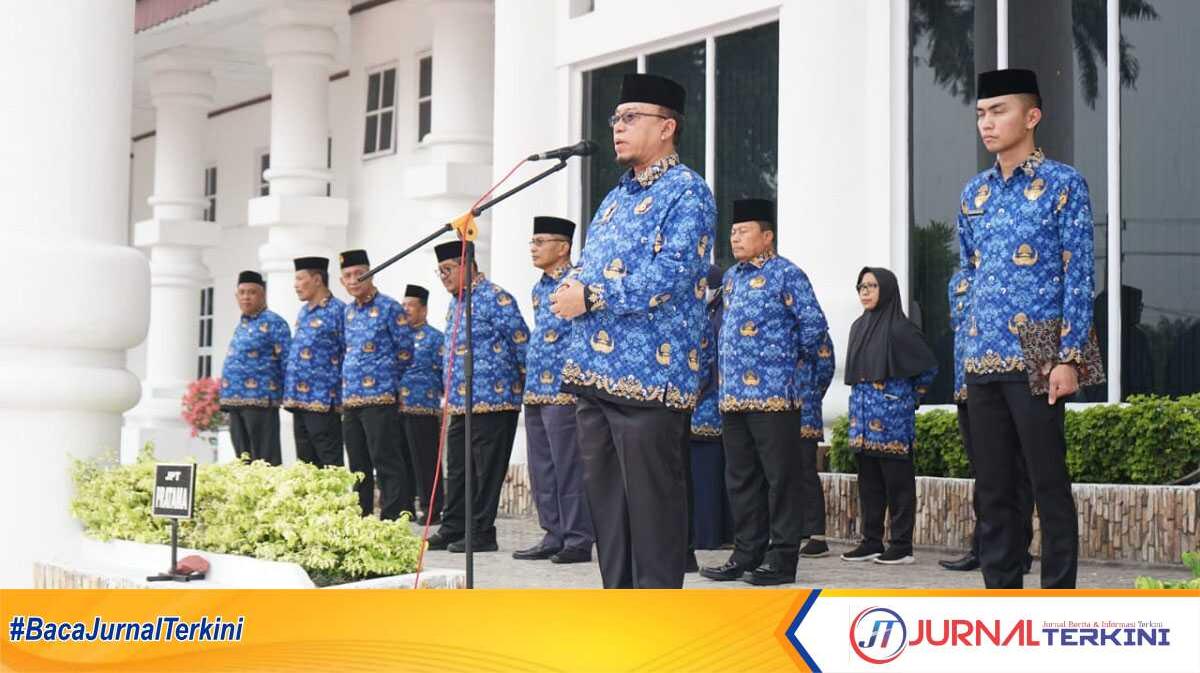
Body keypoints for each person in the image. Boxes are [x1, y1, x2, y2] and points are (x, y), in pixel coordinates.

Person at [551, 73, 716, 589]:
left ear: (667, 127)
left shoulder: (687, 192)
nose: (617, 129)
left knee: (653, 515)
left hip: (651, 379)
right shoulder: (615, 197)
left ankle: (658, 627)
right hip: (595, 378)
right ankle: (621, 618)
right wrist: (573, 284)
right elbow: (594, 262)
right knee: (610, 517)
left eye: (629, 118)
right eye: (615, 120)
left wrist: (594, 296)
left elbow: (674, 273)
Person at [959, 68, 1100, 589]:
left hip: (1040, 352)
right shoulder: (974, 194)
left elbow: (1078, 274)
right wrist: (964, 355)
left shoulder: (1063, 184)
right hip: (983, 356)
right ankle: (1003, 601)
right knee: (993, 490)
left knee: (1047, 484)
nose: (987, 123)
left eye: (998, 111)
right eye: (981, 114)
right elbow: (969, 275)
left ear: (1032, 116)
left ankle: (1057, 600)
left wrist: (1069, 357)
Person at [699, 198, 829, 586]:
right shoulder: (733, 279)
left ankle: (783, 558)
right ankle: (746, 553)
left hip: (775, 397)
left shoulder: (787, 274)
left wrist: (792, 374)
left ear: (767, 236)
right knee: (741, 478)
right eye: (733, 232)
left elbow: (813, 328)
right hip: (733, 397)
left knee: (780, 479)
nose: (735, 238)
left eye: (744, 231)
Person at [427, 241, 529, 553]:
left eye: (448, 269)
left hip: (494, 400)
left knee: (486, 471)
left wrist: (528, 389)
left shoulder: (495, 297)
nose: (443, 276)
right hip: (460, 402)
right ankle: (454, 525)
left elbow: (522, 343)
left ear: (467, 264)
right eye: (439, 271)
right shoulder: (455, 303)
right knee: (457, 468)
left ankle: (482, 532)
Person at [939, 267, 1034, 573]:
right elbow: (959, 328)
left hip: (1006, 381)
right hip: (968, 388)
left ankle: (1018, 549)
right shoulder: (957, 279)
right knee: (986, 475)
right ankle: (984, 548)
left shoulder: (1009, 270)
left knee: (1016, 473)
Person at [840, 267, 937, 565]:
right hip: (862, 421)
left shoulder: (901, 329)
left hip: (892, 421)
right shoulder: (858, 327)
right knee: (868, 484)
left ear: (887, 289)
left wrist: (909, 399)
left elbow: (929, 367)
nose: (865, 291)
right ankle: (871, 542)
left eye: (872, 285)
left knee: (898, 484)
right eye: (861, 286)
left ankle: (901, 545)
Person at [513, 216, 595, 564]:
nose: (533, 247)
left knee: (568, 466)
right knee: (541, 466)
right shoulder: (538, 288)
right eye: (532, 241)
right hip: (536, 387)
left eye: (541, 241)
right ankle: (553, 532)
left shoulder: (578, 282)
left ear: (562, 248)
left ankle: (577, 538)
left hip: (564, 388)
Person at [338, 249, 415, 519]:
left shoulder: (390, 307)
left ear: (371, 274)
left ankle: (392, 519)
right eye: (347, 275)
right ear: (341, 281)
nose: (353, 279)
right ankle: (361, 518)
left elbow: (406, 351)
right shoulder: (347, 312)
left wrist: (386, 377)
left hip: (380, 397)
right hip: (351, 399)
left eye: (359, 273)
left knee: (386, 461)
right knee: (358, 465)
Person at [219, 270, 290, 465]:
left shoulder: (274, 322)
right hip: (235, 400)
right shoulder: (242, 323)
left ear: (263, 294)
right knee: (243, 458)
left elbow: (287, 360)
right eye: (242, 292)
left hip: (261, 400)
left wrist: (289, 396)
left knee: (264, 458)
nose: (246, 297)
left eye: (251, 292)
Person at [687, 264, 733, 552]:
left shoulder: (708, 318)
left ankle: (705, 536)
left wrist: (689, 394)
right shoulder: (718, 315)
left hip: (702, 409)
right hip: (717, 410)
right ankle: (718, 533)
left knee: (704, 477)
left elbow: (701, 366)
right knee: (714, 476)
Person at [283, 256, 345, 468]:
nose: (295, 285)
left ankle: (335, 502)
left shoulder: (339, 310)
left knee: (329, 461)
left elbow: (347, 351)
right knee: (305, 463)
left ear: (317, 279)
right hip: (298, 399)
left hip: (323, 399)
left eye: (300, 278)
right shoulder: (304, 311)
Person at [397, 284, 445, 525]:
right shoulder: (398, 336)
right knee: (401, 460)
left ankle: (432, 508)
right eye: (403, 305)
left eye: (411, 305)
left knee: (425, 461)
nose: (405, 310)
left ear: (423, 310)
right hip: (397, 407)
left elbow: (445, 372)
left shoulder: (436, 338)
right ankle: (404, 507)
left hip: (424, 407)